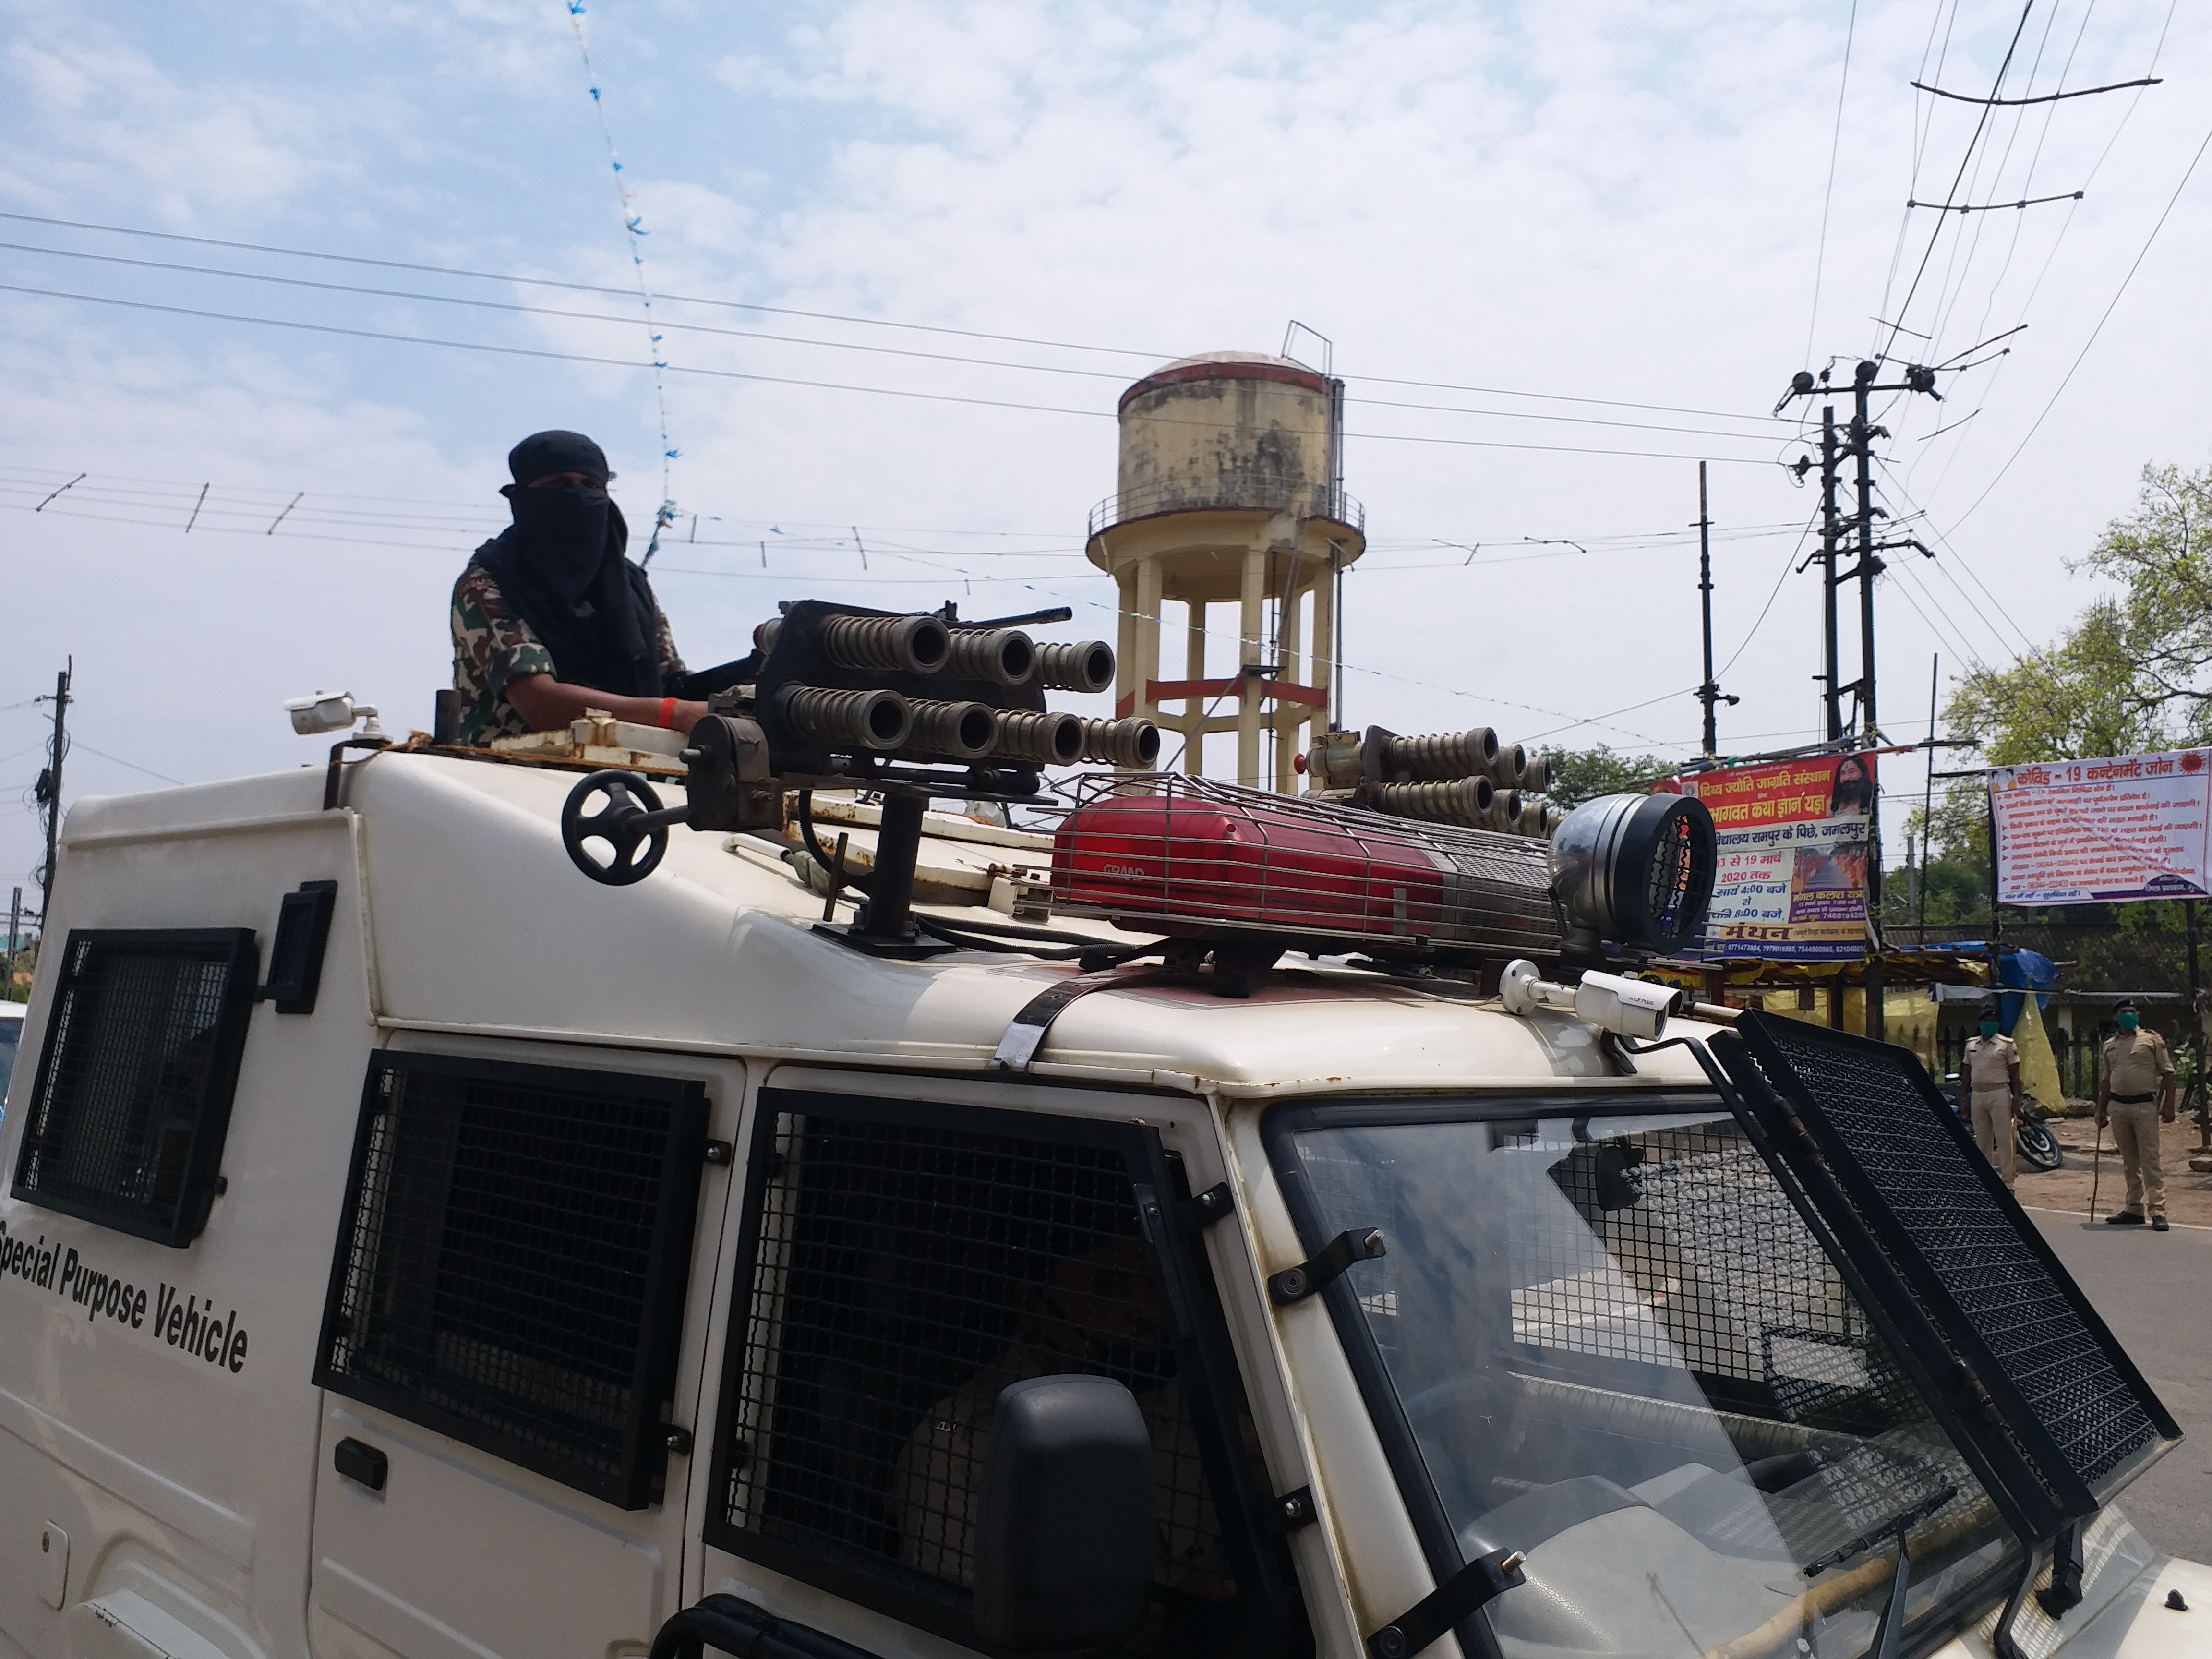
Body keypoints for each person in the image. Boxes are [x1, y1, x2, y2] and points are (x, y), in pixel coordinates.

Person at [450, 430, 709, 745]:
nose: (578, 496)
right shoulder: (489, 583)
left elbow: (672, 683)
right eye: (558, 484)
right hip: (510, 772)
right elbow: (539, 701)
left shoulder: (631, 587)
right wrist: (671, 714)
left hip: (636, 771)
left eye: (591, 485)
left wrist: (755, 672)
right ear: (523, 497)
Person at [2099, 998, 2176, 1230]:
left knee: (2150, 1160)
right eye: (2125, 1012)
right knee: (2129, 1162)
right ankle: (2133, 1208)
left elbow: (2168, 1074)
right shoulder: (2109, 1044)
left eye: (2134, 1011)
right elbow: (2106, 1080)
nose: (2130, 1015)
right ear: (2116, 1017)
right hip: (2118, 1107)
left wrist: (2169, 1106)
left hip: (2145, 1107)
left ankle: (2158, 1211)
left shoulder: (2151, 1040)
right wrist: (2100, 1110)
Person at [1959, 1004, 2022, 1187]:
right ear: (1980, 1024)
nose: (1989, 1024)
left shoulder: (2006, 1044)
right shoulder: (1971, 1045)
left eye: (1993, 1021)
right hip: (1978, 1094)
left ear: (1998, 1024)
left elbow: (2015, 1074)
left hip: (1999, 1093)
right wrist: (1964, 1098)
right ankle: (1986, 1181)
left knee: (2004, 1139)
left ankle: (2008, 1182)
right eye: (1986, 1021)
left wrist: (2016, 1099)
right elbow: (1966, 1072)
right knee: (1982, 1140)